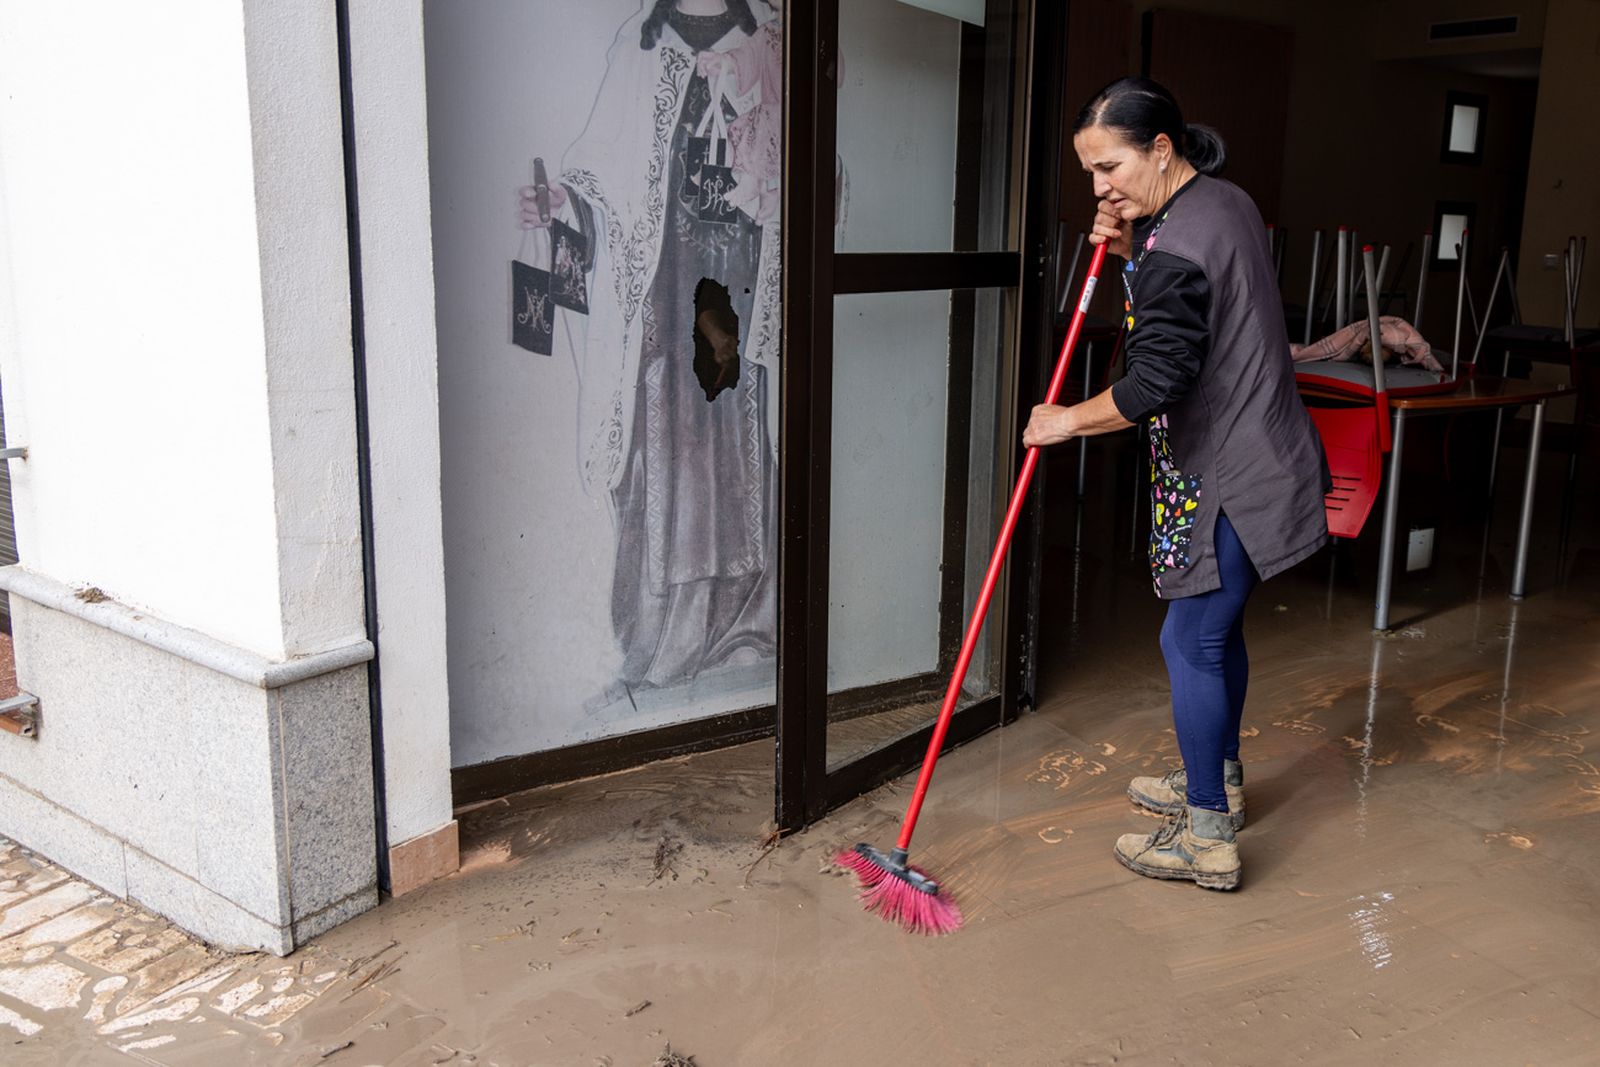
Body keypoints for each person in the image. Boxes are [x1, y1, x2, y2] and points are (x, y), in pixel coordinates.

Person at [1022, 77, 1329, 890]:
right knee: (1214, 636)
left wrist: (1064, 420)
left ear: (1162, 148)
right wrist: (1134, 250)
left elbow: (1155, 378)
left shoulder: (1177, 245)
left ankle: (1207, 836)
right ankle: (1219, 782)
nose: (1101, 187)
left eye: (1111, 166)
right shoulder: (1220, 204)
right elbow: (1192, 301)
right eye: (1091, 173)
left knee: (1188, 640)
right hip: (1265, 451)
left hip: (1230, 471)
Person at [517, 0, 783, 710]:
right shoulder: (640, 47)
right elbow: (600, 185)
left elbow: (812, 170)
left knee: (736, 444)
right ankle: (669, 628)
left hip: (737, 278)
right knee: (665, 445)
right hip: (667, 287)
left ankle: (746, 618)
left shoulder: (770, 42)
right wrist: (560, 209)